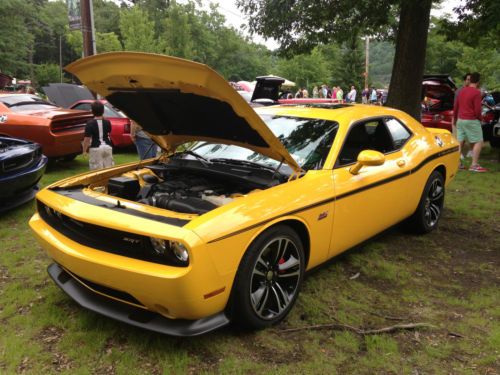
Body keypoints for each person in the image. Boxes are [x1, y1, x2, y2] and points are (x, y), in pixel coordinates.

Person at [453, 72, 487, 172]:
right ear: (478, 81)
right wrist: (480, 119)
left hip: (460, 120)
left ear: (470, 79)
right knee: (479, 141)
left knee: (459, 142)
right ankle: (474, 165)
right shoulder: (476, 92)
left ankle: (457, 163)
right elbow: (477, 110)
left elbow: (456, 106)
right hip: (471, 120)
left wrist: (455, 119)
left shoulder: (461, 91)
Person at [82, 100, 114, 170]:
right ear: (103, 111)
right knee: (108, 170)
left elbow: (87, 139)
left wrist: (84, 150)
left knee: (96, 171)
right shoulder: (107, 122)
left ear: (92, 111)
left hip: (96, 148)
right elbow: (109, 133)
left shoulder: (90, 123)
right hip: (107, 147)